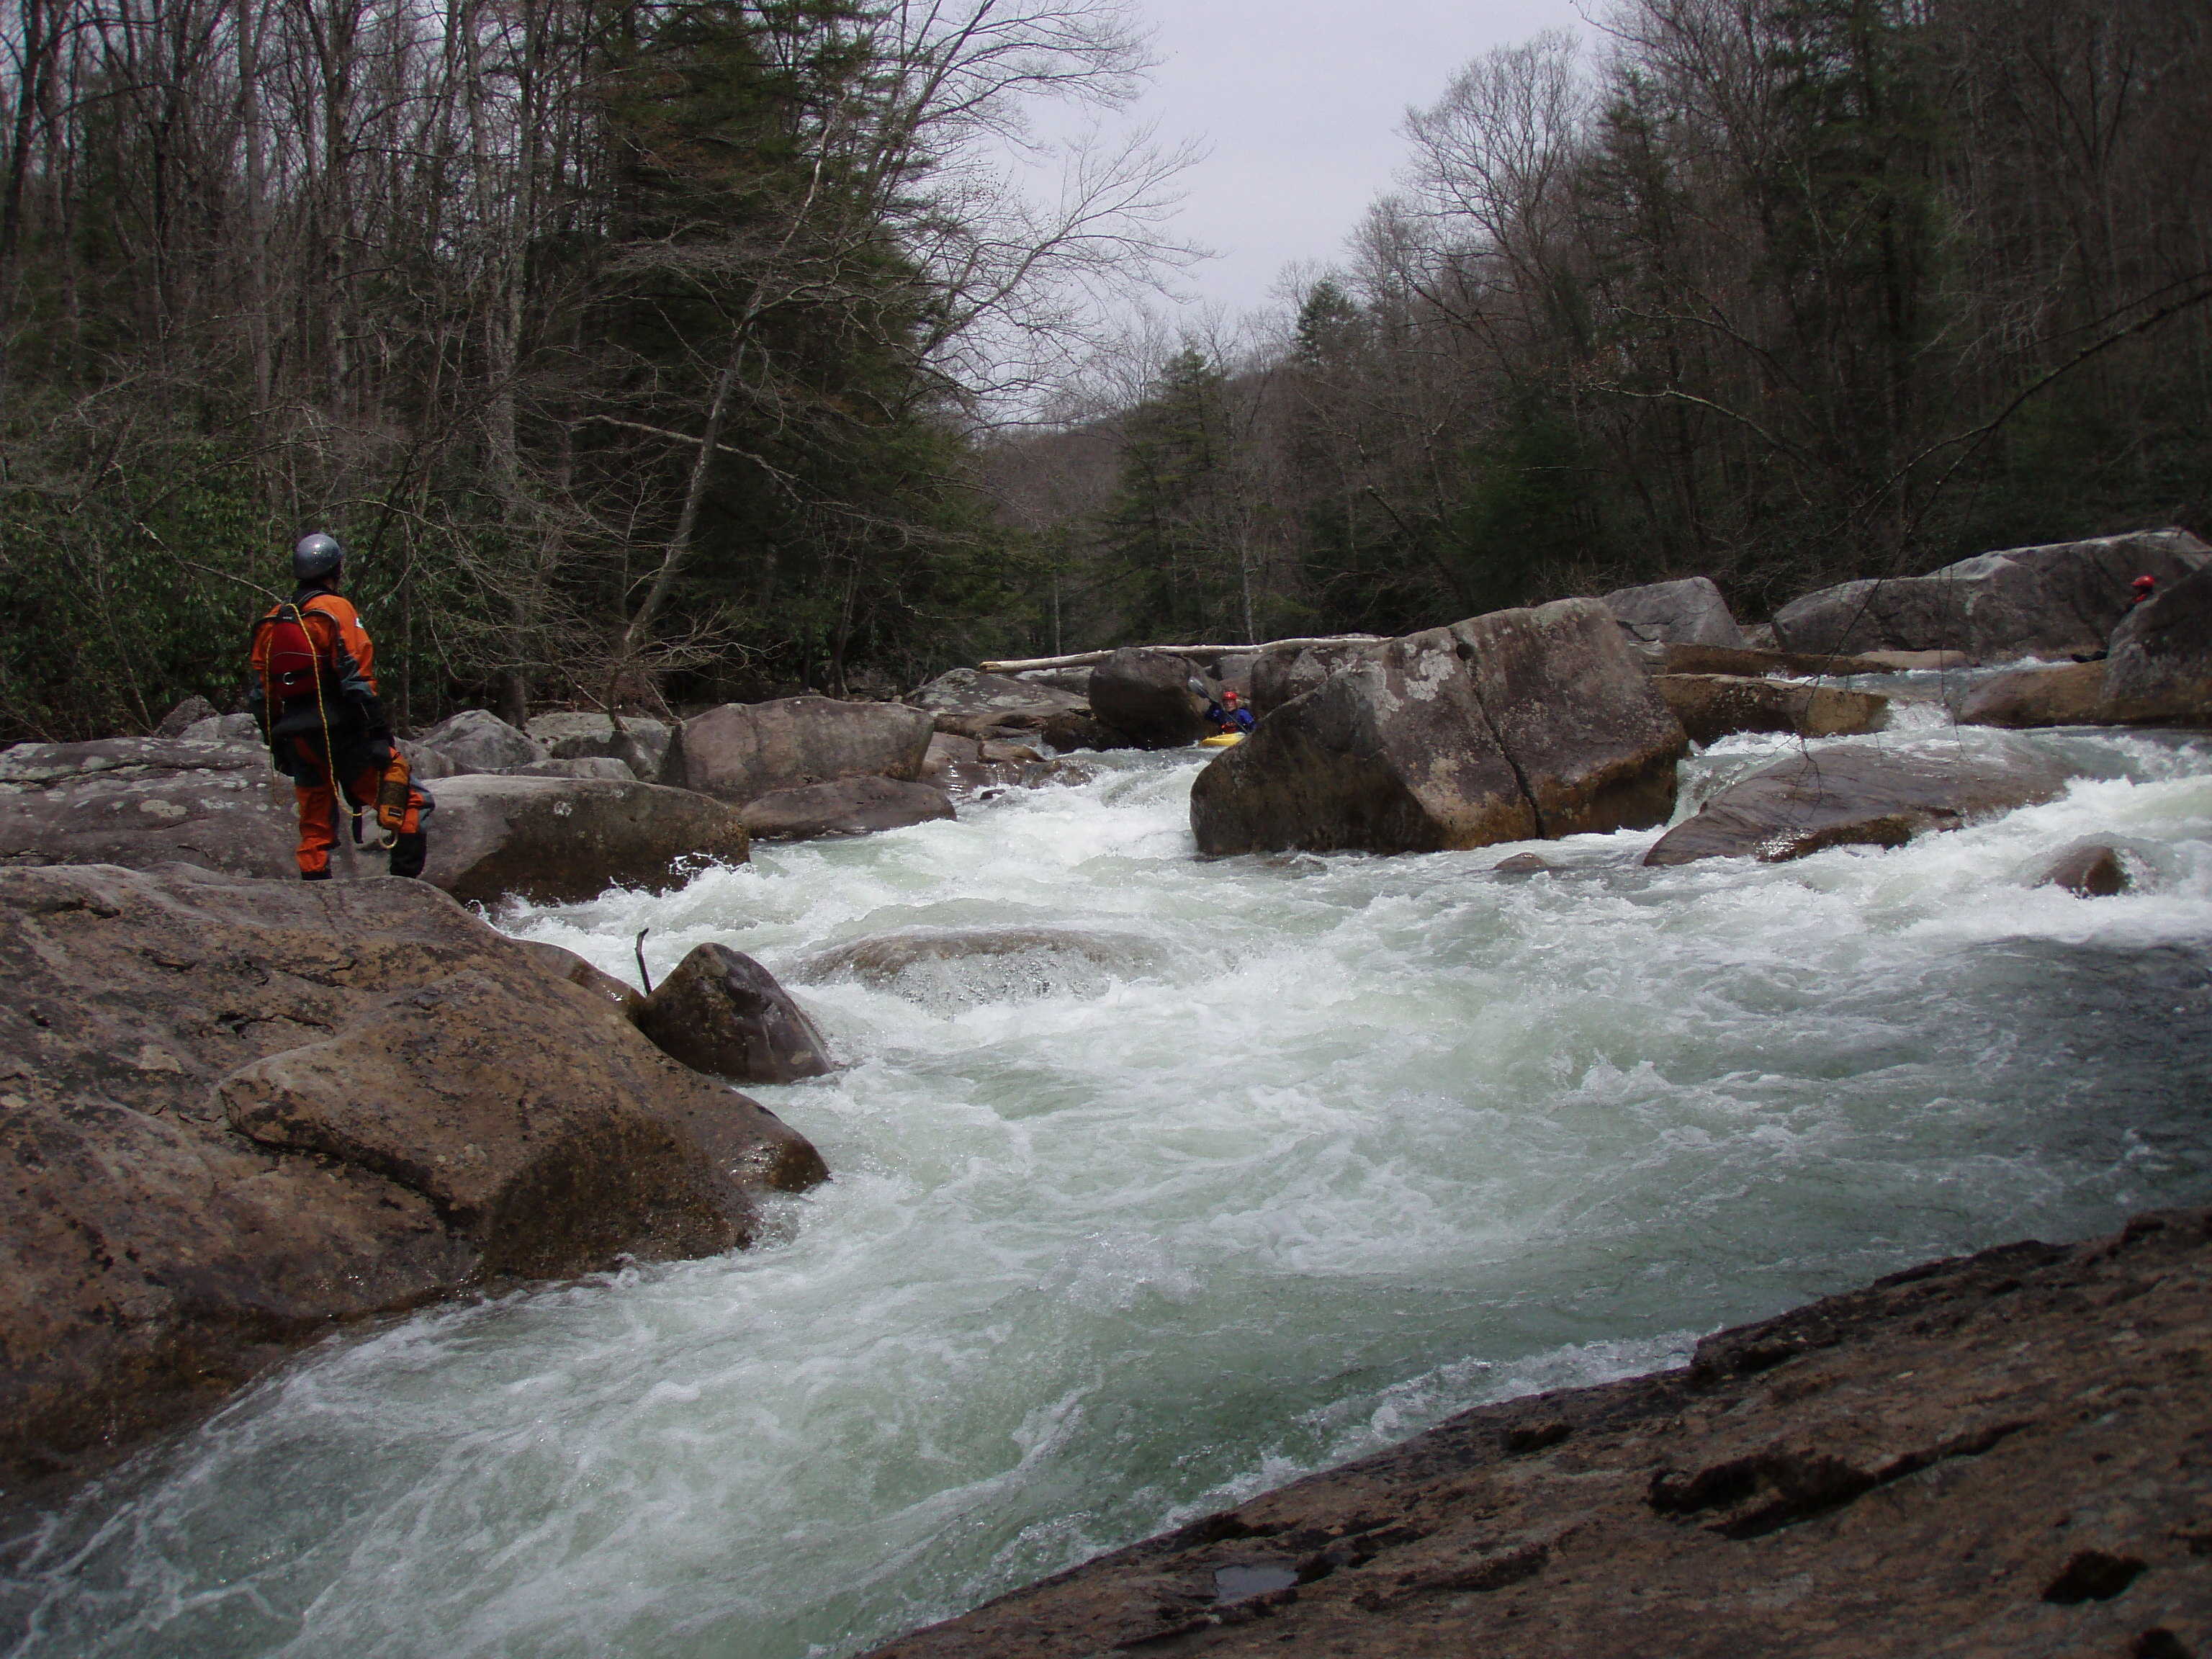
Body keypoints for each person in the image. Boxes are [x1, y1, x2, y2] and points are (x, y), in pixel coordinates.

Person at [246, 532, 431, 880]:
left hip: (297, 738)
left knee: (315, 823)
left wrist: (277, 743)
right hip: (344, 734)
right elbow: (357, 676)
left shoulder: (272, 619)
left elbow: (260, 694)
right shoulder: (335, 610)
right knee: (411, 801)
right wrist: (378, 735)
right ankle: (404, 891)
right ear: (336, 569)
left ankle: (317, 896)